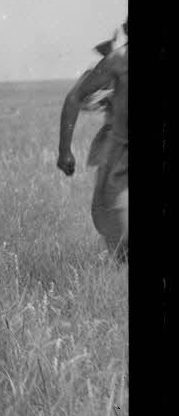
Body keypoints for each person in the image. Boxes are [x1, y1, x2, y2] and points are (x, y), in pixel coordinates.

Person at [57, 19, 128, 263]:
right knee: (107, 214)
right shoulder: (113, 63)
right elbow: (78, 98)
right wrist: (64, 151)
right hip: (116, 146)